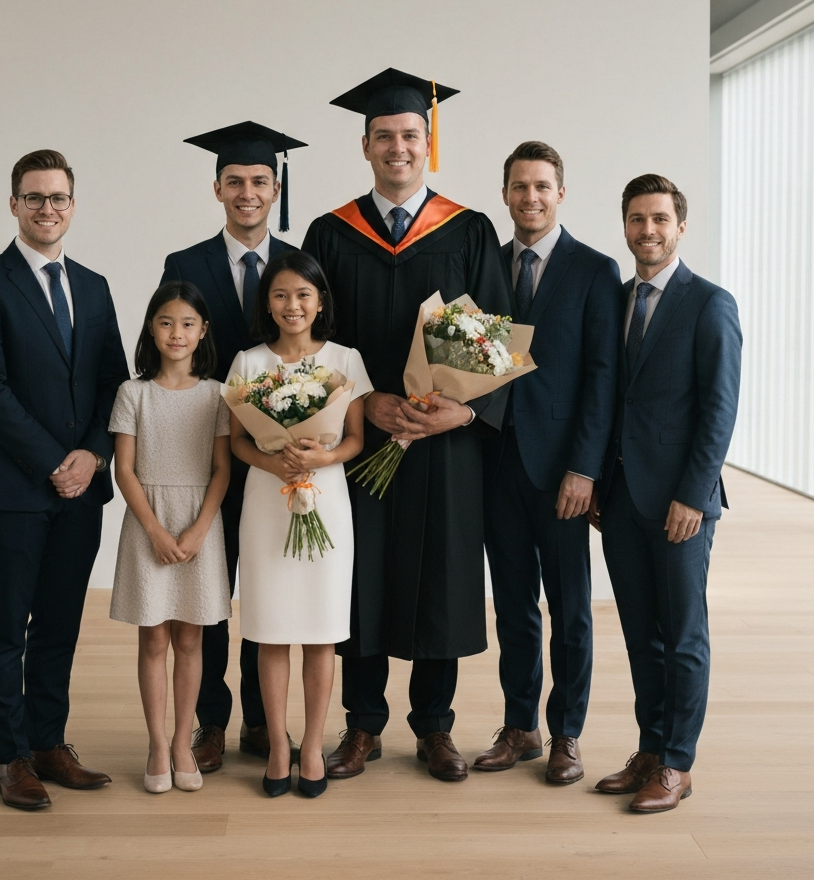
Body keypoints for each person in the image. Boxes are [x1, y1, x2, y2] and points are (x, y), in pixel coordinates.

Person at [303, 67, 512, 783]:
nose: (399, 147)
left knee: (441, 574)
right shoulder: (330, 234)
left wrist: (467, 409)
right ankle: (362, 726)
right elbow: (310, 339)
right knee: (360, 574)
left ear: (429, 143)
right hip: (362, 436)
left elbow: (499, 338)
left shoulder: (470, 230)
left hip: (445, 440)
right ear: (365, 145)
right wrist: (364, 405)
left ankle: (435, 728)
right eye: (385, 136)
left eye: (410, 135)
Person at [0, 149, 129, 810]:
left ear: (73, 205)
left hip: (82, 487)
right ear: (13, 205)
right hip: (13, 487)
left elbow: (113, 380)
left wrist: (90, 456)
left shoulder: (93, 284)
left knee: (59, 621)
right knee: (5, 623)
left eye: (58, 197)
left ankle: (50, 740)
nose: (47, 208)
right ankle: (11, 756)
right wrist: (55, 462)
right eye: (34, 198)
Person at [590, 174, 741, 813]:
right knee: (639, 636)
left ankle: (678, 763)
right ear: (624, 227)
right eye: (636, 220)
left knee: (682, 635)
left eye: (658, 219)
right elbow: (604, 398)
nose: (647, 231)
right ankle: (650, 748)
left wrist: (694, 494)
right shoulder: (617, 300)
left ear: (680, 226)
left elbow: (719, 409)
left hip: (682, 502)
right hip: (622, 500)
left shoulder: (710, 303)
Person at [476, 142, 623, 783]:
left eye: (541, 186)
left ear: (560, 192)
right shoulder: (485, 266)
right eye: (518, 187)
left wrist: (586, 470)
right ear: (504, 195)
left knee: (570, 606)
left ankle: (567, 732)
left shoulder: (595, 270)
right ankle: (519, 727)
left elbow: (602, 379)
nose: (529, 197)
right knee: (512, 604)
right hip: (494, 461)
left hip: (564, 470)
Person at [160, 122, 303, 770]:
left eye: (259, 181)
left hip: (277, 464)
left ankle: (262, 721)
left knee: (269, 593)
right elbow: (176, 354)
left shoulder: (296, 266)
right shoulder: (184, 266)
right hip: (207, 458)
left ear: (276, 188)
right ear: (217, 187)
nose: (248, 193)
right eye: (236, 181)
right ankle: (211, 721)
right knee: (210, 595)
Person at [227, 250, 372, 798]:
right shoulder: (247, 363)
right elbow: (240, 441)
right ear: (268, 302)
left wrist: (319, 459)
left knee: (319, 630)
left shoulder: (345, 359)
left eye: (303, 295)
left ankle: (313, 745)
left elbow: (356, 438)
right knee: (269, 628)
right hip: (267, 501)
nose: (293, 305)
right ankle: (279, 745)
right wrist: (275, 461)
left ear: (320, 302)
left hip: (328, 503)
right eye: (282, 294)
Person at [109, 281, 232, 793]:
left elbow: (222, 470)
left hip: (200, 524)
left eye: (187, 324)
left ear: (203, 331)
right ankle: (157, 744)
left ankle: (185, 740)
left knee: (190, 636)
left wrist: (199, 529)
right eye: (165, 322)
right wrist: (156, 531)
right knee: (154, 637)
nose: (176, 333)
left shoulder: (217, 394)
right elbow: (124, 470)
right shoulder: (132, 392)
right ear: (151, 329)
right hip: (149, 525)